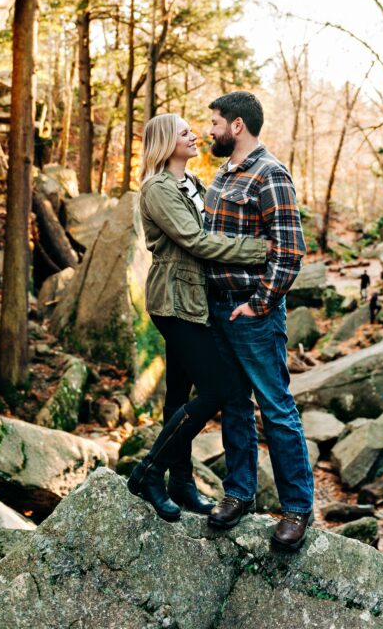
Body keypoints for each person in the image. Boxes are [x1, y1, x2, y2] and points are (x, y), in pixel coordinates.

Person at [126, 113, 269, 522]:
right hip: (174, 301)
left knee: (177, 394)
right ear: (165, 142)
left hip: (196, 300)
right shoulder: (158, 188)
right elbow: (196, 241)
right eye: (184, 132)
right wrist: (259, 250)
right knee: (218, 390)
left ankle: (181, 483)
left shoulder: (193, 184)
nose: (194, 136)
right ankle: (148, 473)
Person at [203, 91, 315, 553]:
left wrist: (260, 303)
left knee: (276, 408)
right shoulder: (225, 171)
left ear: (237, 126)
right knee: (233, 403)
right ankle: (239, 494)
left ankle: (296, 508)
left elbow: (290, 250)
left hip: (252, 313)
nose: (208, 130)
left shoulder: (271, 174)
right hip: (218, 310)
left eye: (214, 122)